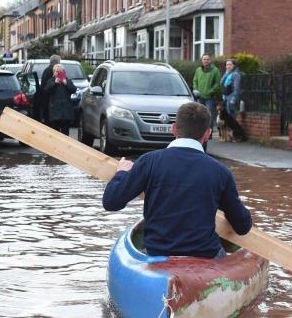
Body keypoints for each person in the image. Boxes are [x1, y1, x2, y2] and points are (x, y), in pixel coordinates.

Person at [102, 102, 252, 258]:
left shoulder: (149, 161)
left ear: (173, 128)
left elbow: (111, 202)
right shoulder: (220, 172)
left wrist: (122, 173)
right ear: (207, 134)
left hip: (157, 253)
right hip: (204, 256)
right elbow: (242, 226)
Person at [43, 63, 77, 135]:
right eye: (57, 71)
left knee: (65, 132)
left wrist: (66, 83)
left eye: (61, 71)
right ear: (54, 72)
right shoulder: (51, 81)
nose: (59, 73)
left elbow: (73, 89)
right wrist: (55, 83)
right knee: (55, 131)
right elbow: (47, 90)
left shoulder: (67, 81)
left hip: (66, 111)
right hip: (55, 111)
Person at [192, 54, 221, 129]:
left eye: (207, 59)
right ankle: (200, 131)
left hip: (210, 98)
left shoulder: (215, 70)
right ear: (202, 61)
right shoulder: (198, 70)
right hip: (200, 97)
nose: (206, 61)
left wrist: (210, 91)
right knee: (199, 114)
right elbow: (195, 80)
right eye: (204, 59)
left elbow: (217, 84)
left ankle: (209, 132)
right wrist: (195, 89)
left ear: (210, 60)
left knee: (209, 115)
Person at [37, 54, 61, 124]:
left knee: (47, 120)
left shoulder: (46, 70)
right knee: (50, 121)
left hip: (45, 98)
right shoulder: (54, 71)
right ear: (57, 62)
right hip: (50, 100)